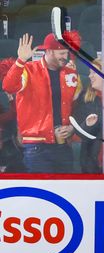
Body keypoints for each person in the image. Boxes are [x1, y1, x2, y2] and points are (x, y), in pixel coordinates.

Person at [2, 33, 80, 173]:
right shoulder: (28, 70)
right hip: (37, 147)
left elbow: (77, 107)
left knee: (65, 192)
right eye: (61, 53)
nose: (65, 57)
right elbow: (8, 86)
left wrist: (72, 128)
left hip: (64, 145)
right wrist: (21, 61)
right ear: (49, 51)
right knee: (42, 193)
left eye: (66, 53)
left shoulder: (70, 73)